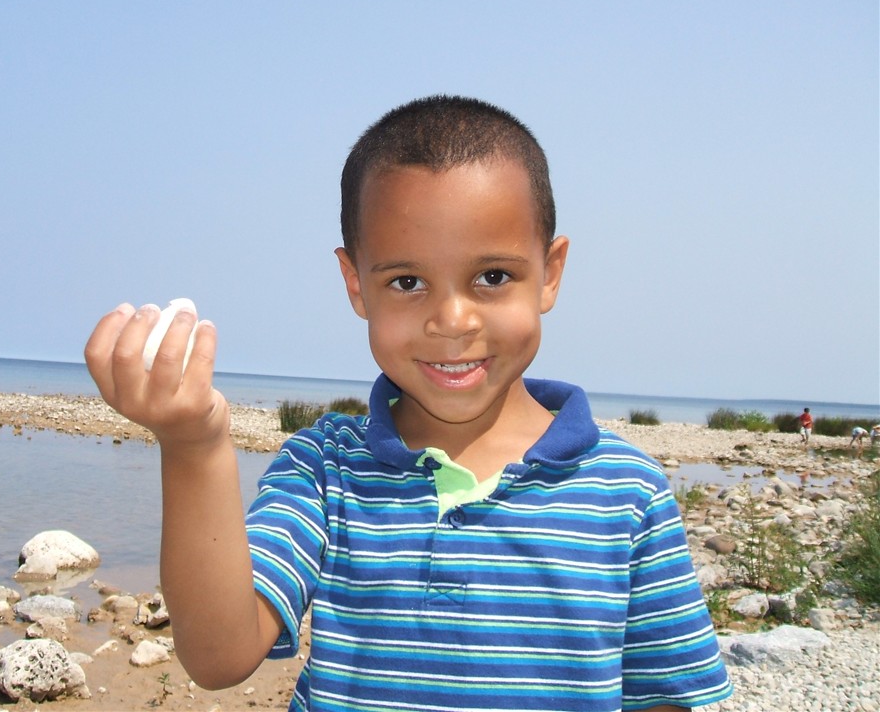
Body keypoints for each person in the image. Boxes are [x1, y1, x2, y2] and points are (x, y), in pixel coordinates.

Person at [85, 95, 732, 712]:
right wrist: (194, 448)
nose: (452, 320)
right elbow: (218, 656)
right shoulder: (325, 469)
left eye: (493, 277)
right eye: (407, 281)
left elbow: (663, 696)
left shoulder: (627, 491)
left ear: (550, 272)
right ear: (355, 284)